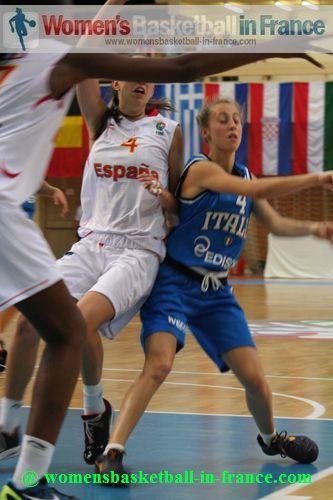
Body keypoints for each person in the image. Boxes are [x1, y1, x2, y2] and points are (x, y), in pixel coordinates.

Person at [0, 0, 326, 496]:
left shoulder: (168, 132)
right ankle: (24, 430)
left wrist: (170, 206)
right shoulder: (96, 117)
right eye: (128, 67)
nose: (138, 76)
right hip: (95, 244)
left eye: (145, 69)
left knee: (75, 326)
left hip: (139, 253)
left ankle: (80, 427)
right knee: (33, 327)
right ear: (113, 78)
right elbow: (91, 42)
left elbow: (184, 199)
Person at [93, 97, 333, 481]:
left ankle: (272, 439)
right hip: (175, 281)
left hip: (217, 292)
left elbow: (275, 224)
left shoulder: (247, 179)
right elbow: (235, 188)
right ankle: (113, 451)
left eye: (238, 120)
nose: (233, 126)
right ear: (207, 132)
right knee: (159, 365)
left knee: (254, 378)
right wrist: (317, 178)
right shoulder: (201, 170)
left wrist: (315, 230)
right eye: (224, 120)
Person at [0, 181, 68, 372]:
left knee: (24, 293)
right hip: (8, 236)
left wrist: (52, 189)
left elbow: (32, 177)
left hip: (21, 238)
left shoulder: (25, 163)